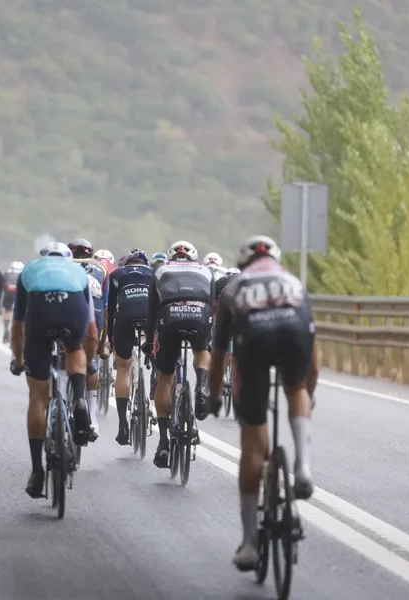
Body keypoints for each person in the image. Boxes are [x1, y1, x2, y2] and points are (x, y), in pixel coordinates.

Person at [205, 235, 318, 571]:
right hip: (295, 335)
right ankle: (303, 467)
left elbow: (220, 354)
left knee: (253, 444)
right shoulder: (292, 280)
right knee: (295, 387)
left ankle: (250, 543)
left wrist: (213, 396)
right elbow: (313, 356)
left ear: (243, 264)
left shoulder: (234, 287)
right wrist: (307, 395)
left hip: (253, 343)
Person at [8, 241, 97, 499]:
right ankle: (79, 400)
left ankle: (37, 472)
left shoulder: (30, 270)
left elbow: (17, 327)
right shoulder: (79, 273)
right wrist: (89, 362)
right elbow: (91, 332)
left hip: (40, 312)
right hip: (73, 310)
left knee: (37, 398)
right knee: (75, 349)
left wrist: (18, 360)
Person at [142, 240, 214, 469]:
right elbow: (212, 305)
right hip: (200, 314)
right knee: (202, 349)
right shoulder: (206, 270)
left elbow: (152, 311)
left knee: (165, 375)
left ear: (170, 257)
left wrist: (150, 340)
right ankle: (202, 385)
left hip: (170, 318)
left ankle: (163, 441)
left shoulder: (160, 270)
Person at [106, 248, 154, 445]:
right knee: (160, 357)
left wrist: (110, 337)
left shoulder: (117, 274)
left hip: (124, 318)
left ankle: (122, 425)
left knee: (123, 368)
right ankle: (157, 381)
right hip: (149, 318)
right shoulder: (154, 274)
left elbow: (110, 309)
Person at [69, 238, 109, 441]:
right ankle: (92, 417)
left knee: (61, 356)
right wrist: (103, 343)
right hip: (95, 312)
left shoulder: (62, 265)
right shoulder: (101, 268)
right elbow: (107, 306)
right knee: (90, 364)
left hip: (67, 311)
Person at [0, 261, 23, 345]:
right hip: (20, 294)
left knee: (7, 311)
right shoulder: (23, 274)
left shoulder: (7, 273)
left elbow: (2, 286)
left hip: (8, 293)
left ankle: (6, 329)